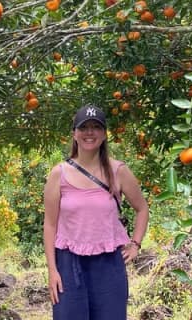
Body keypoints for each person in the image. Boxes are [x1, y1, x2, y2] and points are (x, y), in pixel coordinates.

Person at [43, 104, 149, 320]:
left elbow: (142, 208)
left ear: (104, 134)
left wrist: (135, 244)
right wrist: (52, 270)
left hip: (109, 263)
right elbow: (50, 225)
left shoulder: (118, 171)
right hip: (68, 264)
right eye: (83, 127)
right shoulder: (58, 174)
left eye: (96, 127)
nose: (89, 133)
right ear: (74, 134)